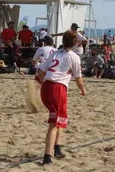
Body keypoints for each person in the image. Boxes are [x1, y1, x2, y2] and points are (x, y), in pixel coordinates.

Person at [36, 30, 86, 165]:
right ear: (75, 43)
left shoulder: (54, 54)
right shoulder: (74, 57)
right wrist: (82, 90)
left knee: (61, 117)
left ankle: (57, 148)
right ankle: (47, 156)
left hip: (47, 86)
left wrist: (43, 84)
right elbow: (78, 78)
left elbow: (40, 72)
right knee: (54, 123)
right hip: (58, 88)